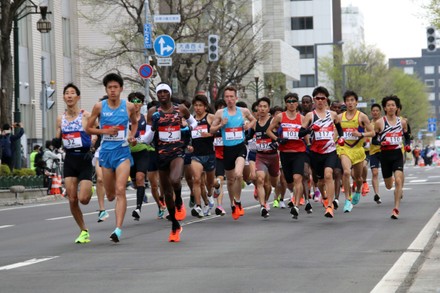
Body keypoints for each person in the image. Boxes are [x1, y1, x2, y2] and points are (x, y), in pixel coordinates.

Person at [86, 73, 138, 242]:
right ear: (106, 90)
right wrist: (104, 131)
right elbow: (88, 128)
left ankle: (118, 229)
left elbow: (135, 122)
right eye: (110, 88)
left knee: (120, 189)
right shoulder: (99, 107)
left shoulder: (129, 106)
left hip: (122, 153)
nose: (113, 90)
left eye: (116, 87)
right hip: (106, 153)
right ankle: (110, 200)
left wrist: (131, 136)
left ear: (121, 89)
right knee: (110, 194)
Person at [141, 83, 195, 242]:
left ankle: (179, 199)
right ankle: (175, 225)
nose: (162, 94)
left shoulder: (180, 109)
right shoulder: (153, 112)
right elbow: (148, 137)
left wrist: (186, 128)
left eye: (165, 91)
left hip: (177, 151)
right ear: (157, 95)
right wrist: (138, 139)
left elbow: (194, 124)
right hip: (161, 154)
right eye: (159, 92)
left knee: (175, 179)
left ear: (170, 94)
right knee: (166, 193)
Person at [53, 83, 95, 243]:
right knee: (72, 199)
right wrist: (56, 140)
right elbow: (58, 137)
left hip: (84, 158)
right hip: (70, 159)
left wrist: (94, 139)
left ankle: (90, 187)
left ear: (78, 97)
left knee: (83, 199)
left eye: (72, 93)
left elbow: (97, 130)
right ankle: (84, 230)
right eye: (66, 93)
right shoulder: (60, 118)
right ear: (64, 97)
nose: (69, 96)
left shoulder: (86, 116)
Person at [210, 86, 256, 220]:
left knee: (238, 174)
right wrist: (221, 125)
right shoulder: (220, 113)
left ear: (236, 98)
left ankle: (238, 200)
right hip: (227, 149)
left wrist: (248, 125)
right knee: (230, 180)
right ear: (224, 99)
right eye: (227, 97)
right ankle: (232, 204)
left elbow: (253, 120)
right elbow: (211, 130)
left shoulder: (243, 111)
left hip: (240, 147)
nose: (229, 99)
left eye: (232, 97)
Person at [301, 86, 344, 218]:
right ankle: (324, 197)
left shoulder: (332, 115)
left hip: (330, 150)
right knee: (319, 181)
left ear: (326, 100)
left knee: (328, 175)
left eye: (322, 98)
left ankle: (330, 206)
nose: (320, 101)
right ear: (314, 100)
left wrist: (341, 137)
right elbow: (300, 133)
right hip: (315, 152)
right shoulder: (310, 116)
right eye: (317, 98)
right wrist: (310, 129)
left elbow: (339, 127)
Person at [266, 93, 307, 219]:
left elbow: (306, 133)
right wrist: (277, 139)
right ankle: (293, 195)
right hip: (285, 152)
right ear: (285, 103)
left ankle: (295, 206)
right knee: (289, 181)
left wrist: (307, 137)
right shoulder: (280, 117)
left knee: (297, 178)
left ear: (297, 103)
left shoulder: (302, 118)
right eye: (289, 101)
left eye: (294, 101)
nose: (291, 103)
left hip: (299, 152)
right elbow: (268, 130)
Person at [337, 90, 374, 212]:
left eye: (352, 100)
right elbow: (334, 132)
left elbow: (372, 132)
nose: (350, 103)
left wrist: (361, 134)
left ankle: (358, 190)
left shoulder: (362, 116)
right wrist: (336, 139)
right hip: (345, 149)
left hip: (358, 149)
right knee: (347, 172)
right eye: (347, 100)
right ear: (345, 103)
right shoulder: (339, 117)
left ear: (356, 102)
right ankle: (348, 200)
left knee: (358, 178)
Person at [374, 95, 410, 219]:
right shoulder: (379, 122)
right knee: (389, 185)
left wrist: (408, 145)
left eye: (393, 105)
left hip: (397, 154)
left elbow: (407, 136)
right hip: (385, 155)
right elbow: (374, 140)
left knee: (399, 180)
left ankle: (396, 209)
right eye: (388, 105)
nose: (391, 107)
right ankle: (395, 182)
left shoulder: (402, 122)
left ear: (396, 107)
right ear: (385, 108)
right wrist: (380, 142)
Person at [189, 94, 216, 218]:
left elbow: (220, 132)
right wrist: (188, 145)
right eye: (196, 105)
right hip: (196, 155)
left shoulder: (210, 117)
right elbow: (187, 135)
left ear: (205, 107)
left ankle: (211, 193)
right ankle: (198, 206)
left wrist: (209, 135)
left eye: (200, 105)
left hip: (209, 154)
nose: (198, 108)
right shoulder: (192, 120)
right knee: (197, 180)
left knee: (210, 183)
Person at [127, 92, 151, 221]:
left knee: (140, 177)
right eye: (133, 101)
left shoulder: (145, 118)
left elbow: (149, 134)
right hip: (128, 153)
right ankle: (141, 193)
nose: (135, 104)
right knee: (136, 183)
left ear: (142, 104)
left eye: (138, 101)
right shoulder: (125, 118)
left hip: (142, 151)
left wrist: (140, 140)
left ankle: (138, 208)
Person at [369, 103, 383, 204]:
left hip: (385, 150)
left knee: (390, 173)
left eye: (377, 111)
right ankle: (377, 194)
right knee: (375, 172)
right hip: (373, 151)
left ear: (380, 112)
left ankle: (399, 188)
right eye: (373, 111)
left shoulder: (384, 122)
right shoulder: (368, 124)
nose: (375, 112)